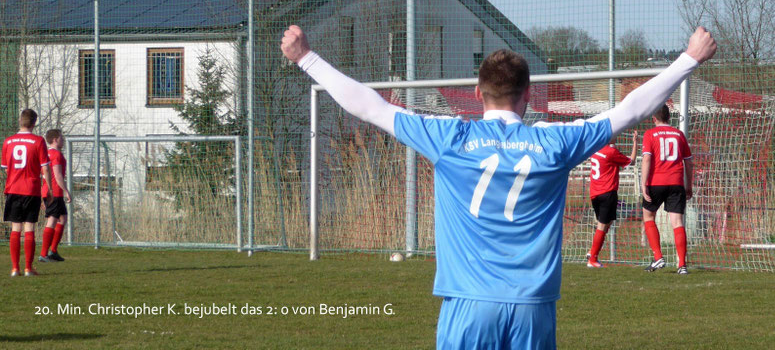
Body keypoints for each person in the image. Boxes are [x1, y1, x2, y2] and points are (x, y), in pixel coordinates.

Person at [281, 25, 715, 348]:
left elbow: (370, 106)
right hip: (532, 309)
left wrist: (307, 58)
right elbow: (630, 110)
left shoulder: (450, 138)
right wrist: (688, 59)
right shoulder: (555, 143)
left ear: (477, 92)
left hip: (468, 305)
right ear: (527, 95)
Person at [640, 104, 693, 274]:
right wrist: (689, 185)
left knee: (648, 216)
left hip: (656, 182)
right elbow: (688, 162)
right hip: (676, 182)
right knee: (677, 222)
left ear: (653, 118)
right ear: (669, 117)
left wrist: (643, 183)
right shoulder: (679, 134)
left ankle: (658, 257)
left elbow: (647, 159)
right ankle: (682, 265)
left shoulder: (649, 134)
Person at [1, 109, 53, 277]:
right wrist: (49, 188)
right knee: (29, 226)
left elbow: (5, 168)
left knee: (16, 227)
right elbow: (45, 168)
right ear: (34, 123)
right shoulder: (38, 141)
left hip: (13, 189)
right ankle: (28, 268)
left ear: (20, 121)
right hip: (31, 189)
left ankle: (15, 268)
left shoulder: (8, 141)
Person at [586, 130, 638, 268]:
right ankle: (592, 259)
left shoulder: (595, 149)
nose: (617, 136)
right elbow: (631, 161)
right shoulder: (611, 152)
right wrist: (635, 143)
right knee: (602, 225)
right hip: (607, 192)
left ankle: (592, 251)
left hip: (595, 193)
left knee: (606, 222)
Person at [39, 129, 72, 263]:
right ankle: (43, 254)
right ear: (55, 139)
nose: (62, 140)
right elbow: (57, 175)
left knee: (62, 219)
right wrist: (66, 190)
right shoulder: (56, 155)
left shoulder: (46, 153)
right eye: (61, 138)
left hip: (48, 191)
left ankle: (53, 251)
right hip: (55, 192)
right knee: (52, 220)